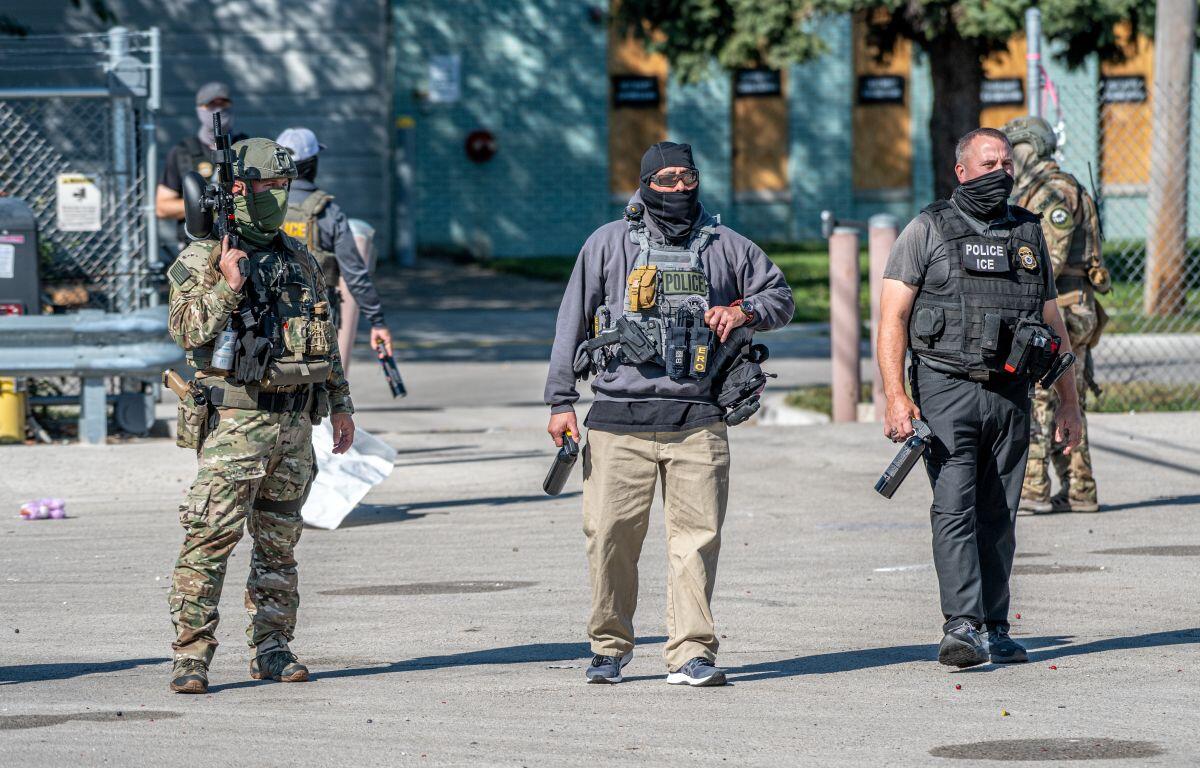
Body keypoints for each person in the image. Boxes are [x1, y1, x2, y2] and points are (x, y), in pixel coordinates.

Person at [544, 141, 793, 687]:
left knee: (696, 541)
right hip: (616, 419)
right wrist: (561, 400)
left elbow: (780, 297)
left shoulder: (727, 246)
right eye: (668, 178)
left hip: (698, 419)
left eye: (689, 177)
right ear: (646, 182)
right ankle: (609, 646)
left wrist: (742, 308)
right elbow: (571, 322)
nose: (680, 188)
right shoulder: (608, 243)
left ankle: (691, 653)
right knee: (609, 537)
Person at [877, 128, 1083, 669]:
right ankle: (961, 625)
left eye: (1007, 164)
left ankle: (995, 624)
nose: (1001, 173)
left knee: (1001, 513)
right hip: (945, 388)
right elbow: (892, 318)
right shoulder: (926, 230)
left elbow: (1050, 317)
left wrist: (1069, 399)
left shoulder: (1026, 232)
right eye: (989, 163)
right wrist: (896, 396)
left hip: (1010, 391)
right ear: (961, 171)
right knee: (954, 508)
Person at [164, 137, 356, 694]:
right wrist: (229, 285)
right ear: (237, 191)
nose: (275, 196)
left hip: (294, 428)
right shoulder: (202, 258)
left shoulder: (298, 259)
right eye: (264, 187)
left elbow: (323, 340)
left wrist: (341, 406)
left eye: (283, 186)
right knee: (209, 539)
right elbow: (186, 331)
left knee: (279, 547)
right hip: (236, 426)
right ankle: (191, 655)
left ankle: (272, 648)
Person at [1003, 116, 1108, 515]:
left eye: (1011, 153)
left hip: (1061, 308)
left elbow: (1049, 260)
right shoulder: (1045, 188)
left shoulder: (1052, 192)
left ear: (1028, 148)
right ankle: (1080, 489)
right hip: (1068, 306)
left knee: (1042, 397)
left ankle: (1033, 489)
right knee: (1069, 400)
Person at [275, 127, 393, 358]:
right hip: (316, 326)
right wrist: (377, 322)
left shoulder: (263, 208)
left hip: (268, 321)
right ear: (313, 164)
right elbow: (355, 274)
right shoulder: (328, 212)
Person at [156, 82, 249, 255]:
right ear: (200, 109)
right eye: (211, 104)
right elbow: (162, 207)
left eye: (223, 104)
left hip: (242, 245)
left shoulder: (247, 148)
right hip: (197, 248)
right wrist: (209, 204)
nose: (218, 109)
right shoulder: (183, 152)